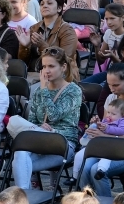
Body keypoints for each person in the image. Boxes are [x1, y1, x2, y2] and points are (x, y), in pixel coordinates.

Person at [12, 47, 82, 190]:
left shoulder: (73, 90)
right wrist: (39, 127)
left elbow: (54, 115)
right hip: (40, 142)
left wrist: (45, 91)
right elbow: (31, 121)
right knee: (20, 154)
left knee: (22, 162)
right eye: (44, 66)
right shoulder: (39, 91)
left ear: (63, 67)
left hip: (62, 144)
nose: (46, 71)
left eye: (51, 66)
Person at [78, 64, 124, 196]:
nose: (111, 89)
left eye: (116, 85)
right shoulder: (111, 98)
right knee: (84, 167)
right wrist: (98, 125)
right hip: (108, 148)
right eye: (109, 85)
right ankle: (89, 203)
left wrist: (103, 136)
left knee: (96, 170)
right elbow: (108, 125)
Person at [15, 0, 80, 81]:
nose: (44, 6)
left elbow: (65, 60)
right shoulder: (34, 28)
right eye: (42, 4)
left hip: (61, 78)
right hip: (35, 73)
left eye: (49, 3)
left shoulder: (67, 30)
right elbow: (23, 62)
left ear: (59, 8)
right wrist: (24, 46)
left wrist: (42, 45)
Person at [86, 4, 124, 82]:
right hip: (111, 72)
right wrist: (97, 47)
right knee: (83, 85)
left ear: (123, 18)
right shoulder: (108, 33)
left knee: (98, 90)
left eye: (112, 18)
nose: (109, 22)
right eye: (106, 19)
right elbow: (101, 61)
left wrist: (113, 57)